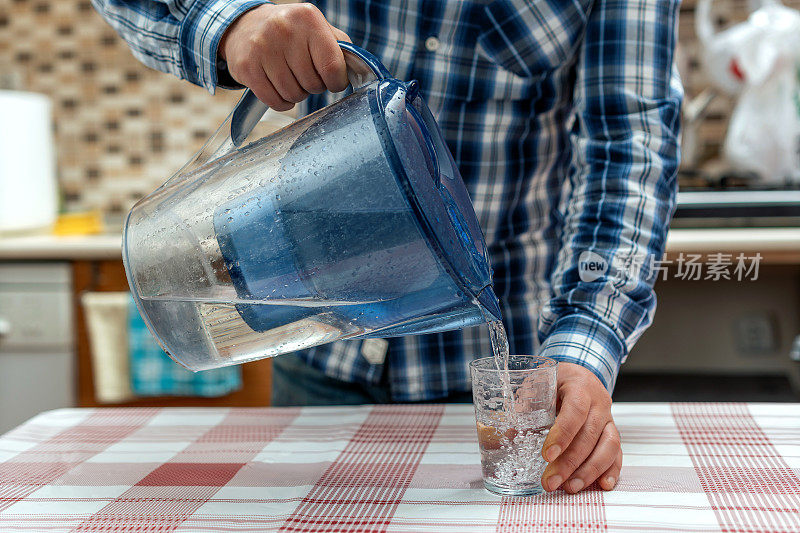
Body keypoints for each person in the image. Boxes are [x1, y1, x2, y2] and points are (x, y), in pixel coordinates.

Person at [94, 0, 682, 495]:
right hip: (319, 362)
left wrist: (585, 349)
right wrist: (227, 23)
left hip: (511, 386)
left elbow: (628, 149)